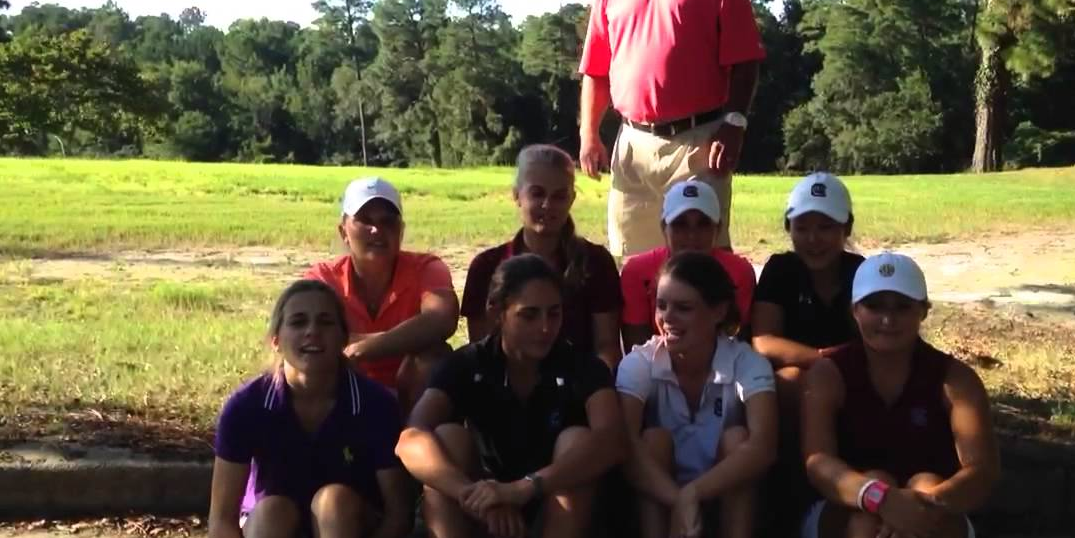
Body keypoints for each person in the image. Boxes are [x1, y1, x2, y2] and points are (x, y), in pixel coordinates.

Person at [396, 255, 627, 538]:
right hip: (488, 523)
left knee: (579, 444)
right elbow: (410, 438)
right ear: (498, 313)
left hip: (553, 523)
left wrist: (524, 490)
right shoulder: (469, 364)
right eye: (529, 314)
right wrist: (476, 495)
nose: (545, 327)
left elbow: (612, 441)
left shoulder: (580, 366)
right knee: (446, 438)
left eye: (554, 313)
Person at [799, 253, 1002, 538]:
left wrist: (923, 505)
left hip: (933, 535)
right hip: (848, 534)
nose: (888, 319)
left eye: (902, 306)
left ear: (923, 311)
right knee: (873, 486)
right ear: (855, 311)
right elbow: (817, 463)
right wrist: (881, 499)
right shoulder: (830, 371)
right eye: (876, 306)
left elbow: (982, 470)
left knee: (929, 485)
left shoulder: (955, 378)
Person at [209, 280, 413, 538]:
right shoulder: (246, 405)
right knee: (271, 508)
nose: (311, 333)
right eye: (297, 322)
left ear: (343, 336)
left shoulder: (375, 404)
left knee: (333, 499)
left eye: (325, 322)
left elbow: (398, 513)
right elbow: (220, 522)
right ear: (276, 339)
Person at [616, 251, 778, 538]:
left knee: (738, 441)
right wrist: (678, 498)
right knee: (651, 442)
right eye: (662, 305)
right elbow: (624, 448)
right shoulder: (641, 362)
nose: (668, 317)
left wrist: (693, 495)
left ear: (719, 311)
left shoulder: (745, 361)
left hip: (721, 504)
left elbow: (763, 447)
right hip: (664, 505)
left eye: (684, 307)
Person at [578, 0, 765, 258]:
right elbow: (596, 70)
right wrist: (588, 133)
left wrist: (734, 123)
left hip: (699, 143)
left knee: (703, 262)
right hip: (632, 145)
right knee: (634, 262)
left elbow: (746, 59)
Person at [751, 172, 864, 523]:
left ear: (846, 228)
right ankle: (791, 489)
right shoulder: (780, 269)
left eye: (826, 227)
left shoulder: (859, 272)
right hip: (809, 376)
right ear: (789, 228)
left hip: (851, 376)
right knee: (789, 380)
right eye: (802, 227)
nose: (813, 239)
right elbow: (763, 339)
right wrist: (824, 361)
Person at [305, 176, 459, 415]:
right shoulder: (323, 278)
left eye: (388, 221)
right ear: (343, 230)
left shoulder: (427, 267)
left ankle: (413, 435)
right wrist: (406, 338)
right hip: (346, 391)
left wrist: (362, 348)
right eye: (364, 220)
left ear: (401, 230)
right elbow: (310, 336)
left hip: (410, 393)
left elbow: (442, 319)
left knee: (432, 357)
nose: (376, 230)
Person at [461, 144, 622, 371]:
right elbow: (482, 350)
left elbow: (606, 347)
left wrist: (592, 388)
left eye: (559, 196)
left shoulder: (595, 262)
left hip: (579, 389)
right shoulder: (486, 267)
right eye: (537, 194)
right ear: (517, 195)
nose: (547, 205)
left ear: (572, 199)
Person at [619, 179, 756, 351]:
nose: (692, 236)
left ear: (718, 229)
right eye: (680, 224)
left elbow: (736, 342)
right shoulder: (637, 272)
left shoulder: (739, 272)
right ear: (664, 228)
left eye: (703, 224)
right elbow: (637, 347)